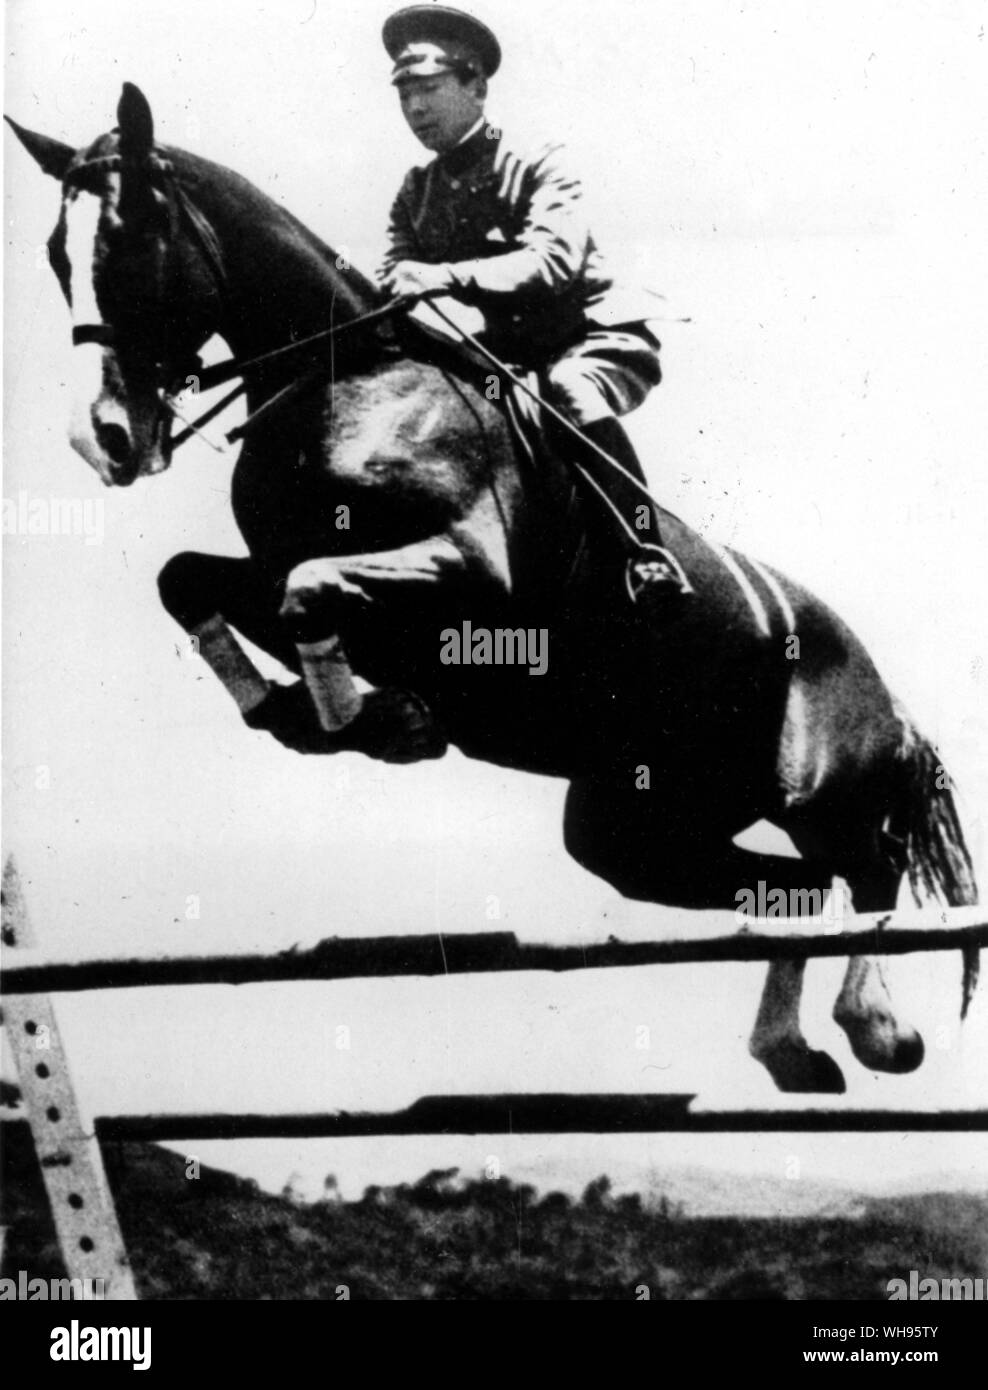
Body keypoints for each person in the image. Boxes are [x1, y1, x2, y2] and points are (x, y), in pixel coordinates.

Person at [378, 4, 691, 599]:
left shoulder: (540, 160)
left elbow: (551, 263)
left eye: (430, 89)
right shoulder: (416, 193)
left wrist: (441, 275)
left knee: (573, 390)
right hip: (509, 358)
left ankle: (643, 551)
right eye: (404, 95)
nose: (415, 109)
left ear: (476, 86)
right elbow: (393, 275)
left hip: (592, 339)